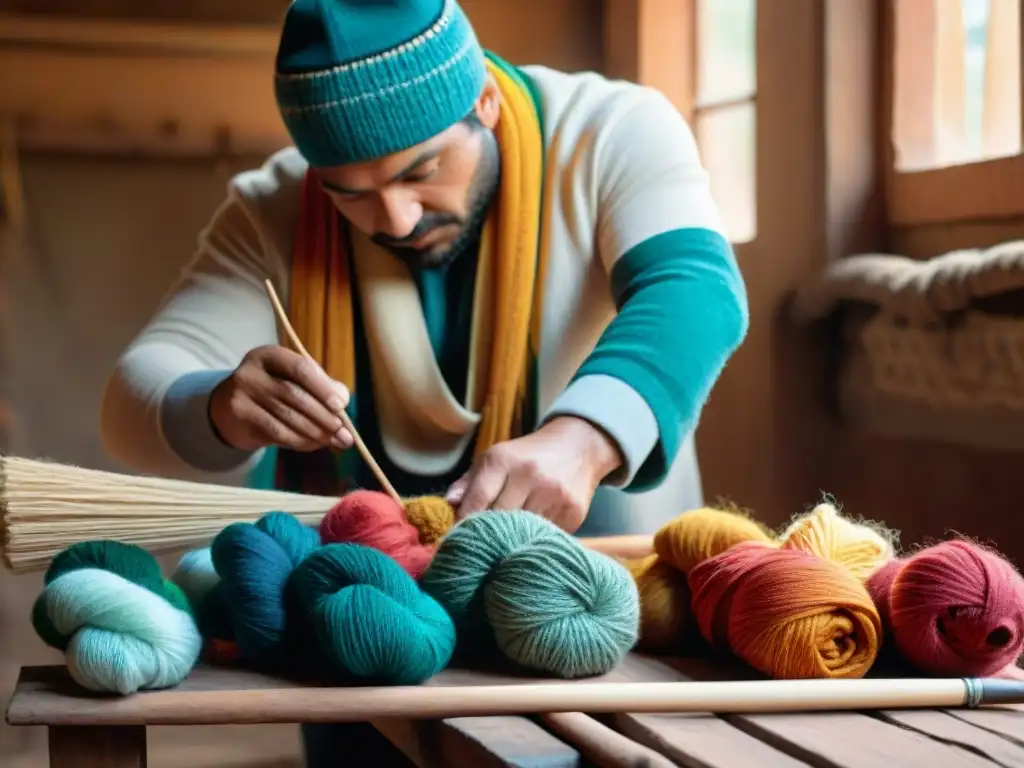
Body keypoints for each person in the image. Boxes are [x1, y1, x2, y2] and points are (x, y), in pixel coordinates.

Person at [99, 0, 748, 763]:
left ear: (485, 101)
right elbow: (133, 396)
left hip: (601, 616)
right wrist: (218, 405)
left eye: (422, 170)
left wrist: (585, 440)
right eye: (349, 191)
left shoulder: (611, 131)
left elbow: (697, 290)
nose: (396, 218)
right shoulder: (277, 207)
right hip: (369, 641)